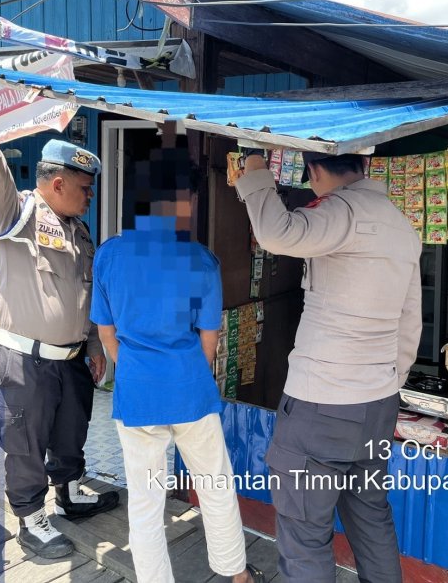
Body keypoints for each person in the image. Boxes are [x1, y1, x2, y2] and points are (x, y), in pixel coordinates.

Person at [0, 71, 119, 559]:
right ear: (57, 183)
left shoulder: (77, 229)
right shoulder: (13, 213)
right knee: (26, 440)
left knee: (70, 430)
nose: (90, 196)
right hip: (24, 360)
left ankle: (69, 490)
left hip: (72, 356)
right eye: (85, 188)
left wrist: (96, 345)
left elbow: (84, 291)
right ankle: (30, 516)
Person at [235, 151, 422, 583]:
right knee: (372, 521)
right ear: (364, 166)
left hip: (321, 407)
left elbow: (277, 233)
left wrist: (256, 171)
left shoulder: (341, 211)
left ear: (316, 171)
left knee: (304, 537)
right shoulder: (401, 224)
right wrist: (386, 385)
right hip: (377, 405)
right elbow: (411, 322)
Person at [91, 146, 263, 583]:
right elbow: (210, 339)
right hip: (190, 390)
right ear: (184, 200)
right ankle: (236, 575)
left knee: (145, 500)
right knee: (215, 486)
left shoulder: (109, 255)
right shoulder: (201, 261)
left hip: (136, 393)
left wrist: (130, 367)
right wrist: (188, 372)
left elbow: (107, 334)